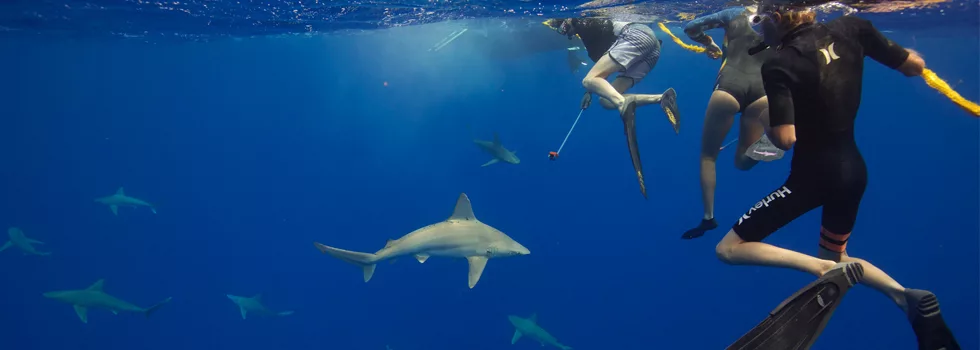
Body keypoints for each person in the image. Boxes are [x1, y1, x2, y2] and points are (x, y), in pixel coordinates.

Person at [715, 3, 960, 349]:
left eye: (758, 21)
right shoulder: (853, 28)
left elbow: (785, 139)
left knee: (728, 249)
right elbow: (913, 65)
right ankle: (906, 298)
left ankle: (821, 270)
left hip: (813, 179)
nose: (757, 30)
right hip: (853, 172)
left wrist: (752, 153)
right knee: (837, 256)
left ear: (775, 18)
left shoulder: (779, 62)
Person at [680, 6, 786, 239]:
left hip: (728, 89)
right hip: (763, 94)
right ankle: (775, 142)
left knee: (708, 157)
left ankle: (708, 217)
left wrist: (707, 43)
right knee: (743, 162)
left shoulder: (735, 13)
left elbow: (690, 27)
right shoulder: (782, 19)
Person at [545, 18, 680, 198]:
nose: (566, 34)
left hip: (636, 36)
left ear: (568, 21)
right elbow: (602, 66)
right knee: (606, 101)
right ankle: (661, 98)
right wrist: (591, 92)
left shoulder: (584, 22)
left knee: (588, 81)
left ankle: (622, 104)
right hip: (653, 48)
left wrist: (589, 86)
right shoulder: (588, 27)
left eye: (562, 28)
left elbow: (597, 67)